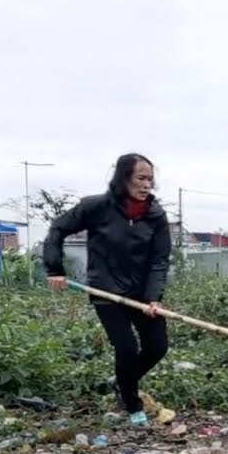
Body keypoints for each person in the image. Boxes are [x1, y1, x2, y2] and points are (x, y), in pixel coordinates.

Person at [42, 153, 172, 427]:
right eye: (140, 178)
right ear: (124, 178)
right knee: (126, 348)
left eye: (150, 179)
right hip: (106, 291)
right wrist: (54, 268)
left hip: (140, 294)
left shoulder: (156, 216)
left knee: (157, 346)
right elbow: (58, 229)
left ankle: (122, 381)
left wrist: (153, 298)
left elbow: (159, 260)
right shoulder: (97, 207)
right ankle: (131, 402)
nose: (146, 184)